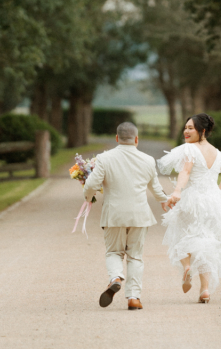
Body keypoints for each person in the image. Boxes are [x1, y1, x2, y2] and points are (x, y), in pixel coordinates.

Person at [83, 122, 169, 311]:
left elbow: (90, 185)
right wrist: (165, 200)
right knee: (135, 257)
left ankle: (115, 277)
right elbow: (155, 188)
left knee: (114, 252)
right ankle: (133, 298)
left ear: (116, 138)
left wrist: (89, 198)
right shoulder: (148, 160)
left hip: (114, 214)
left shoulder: (104, 158)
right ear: (136, 139)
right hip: (139, 215)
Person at [157, 113, 221, 303]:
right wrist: (219, 192)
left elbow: (185, 171)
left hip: (192, 199)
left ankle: (187, 267)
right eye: (185, 127)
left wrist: (177, 191)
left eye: (190, 128)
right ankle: (205, 289)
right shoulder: (216, 153)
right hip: (213, 202)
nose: (186, 131)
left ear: (202, 131)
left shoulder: (190, 149)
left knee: (182, 234)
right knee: (206, 241)